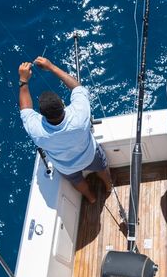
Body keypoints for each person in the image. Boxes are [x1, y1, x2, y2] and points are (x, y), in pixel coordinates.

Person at [18, 57, 112, 204]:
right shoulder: (79, 115)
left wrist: (23, 80)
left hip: (66, 167)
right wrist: (51, 67)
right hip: (89, 155)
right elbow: (77, 88)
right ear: (63, 104)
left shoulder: (36, 130)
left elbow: (25, 109)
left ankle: (91, 198)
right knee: (102, 168)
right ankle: (108, 187)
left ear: (42, 115)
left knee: (77, 181)